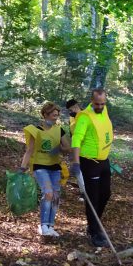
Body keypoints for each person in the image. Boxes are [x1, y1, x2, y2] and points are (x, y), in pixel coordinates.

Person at [70, 89, 113, 247]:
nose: (100, 106)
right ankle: (94, 231)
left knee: (106, 193)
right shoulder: (85, 117)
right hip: (89, 162)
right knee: (92, 197)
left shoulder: (104, 110)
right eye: (97, 104)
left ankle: (95, 223)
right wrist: (75, 163)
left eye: (103, 103)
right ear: (91, 101)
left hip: (103, 161)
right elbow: (76, 139)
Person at [19, 102, 70, 237]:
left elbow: (68, 148)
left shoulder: (59, 130)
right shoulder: (35, 130)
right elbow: (29, 150)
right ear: (45, 114)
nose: (56, 118)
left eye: (57, 115)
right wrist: (22, 168)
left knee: (56, 196)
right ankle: (43, 226)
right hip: (40, 167)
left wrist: (59, 148)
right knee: (48, 193)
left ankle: (51, 226)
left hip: (55, 167)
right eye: (53, 115)